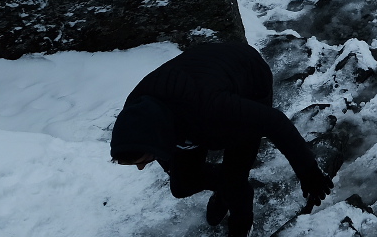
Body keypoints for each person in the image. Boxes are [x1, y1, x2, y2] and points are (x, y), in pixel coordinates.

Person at [110, 42, 332, 237]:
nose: (140, 167)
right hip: (199, 82)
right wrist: (173, 166)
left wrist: (309, 173)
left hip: (249, 77)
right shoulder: (139, 111)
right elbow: (159, 145)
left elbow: (275, 122)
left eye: (140, 160)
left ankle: (241, 219)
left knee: (234, 176)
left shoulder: (210, 108)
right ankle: (227, 187)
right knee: (182, 184)